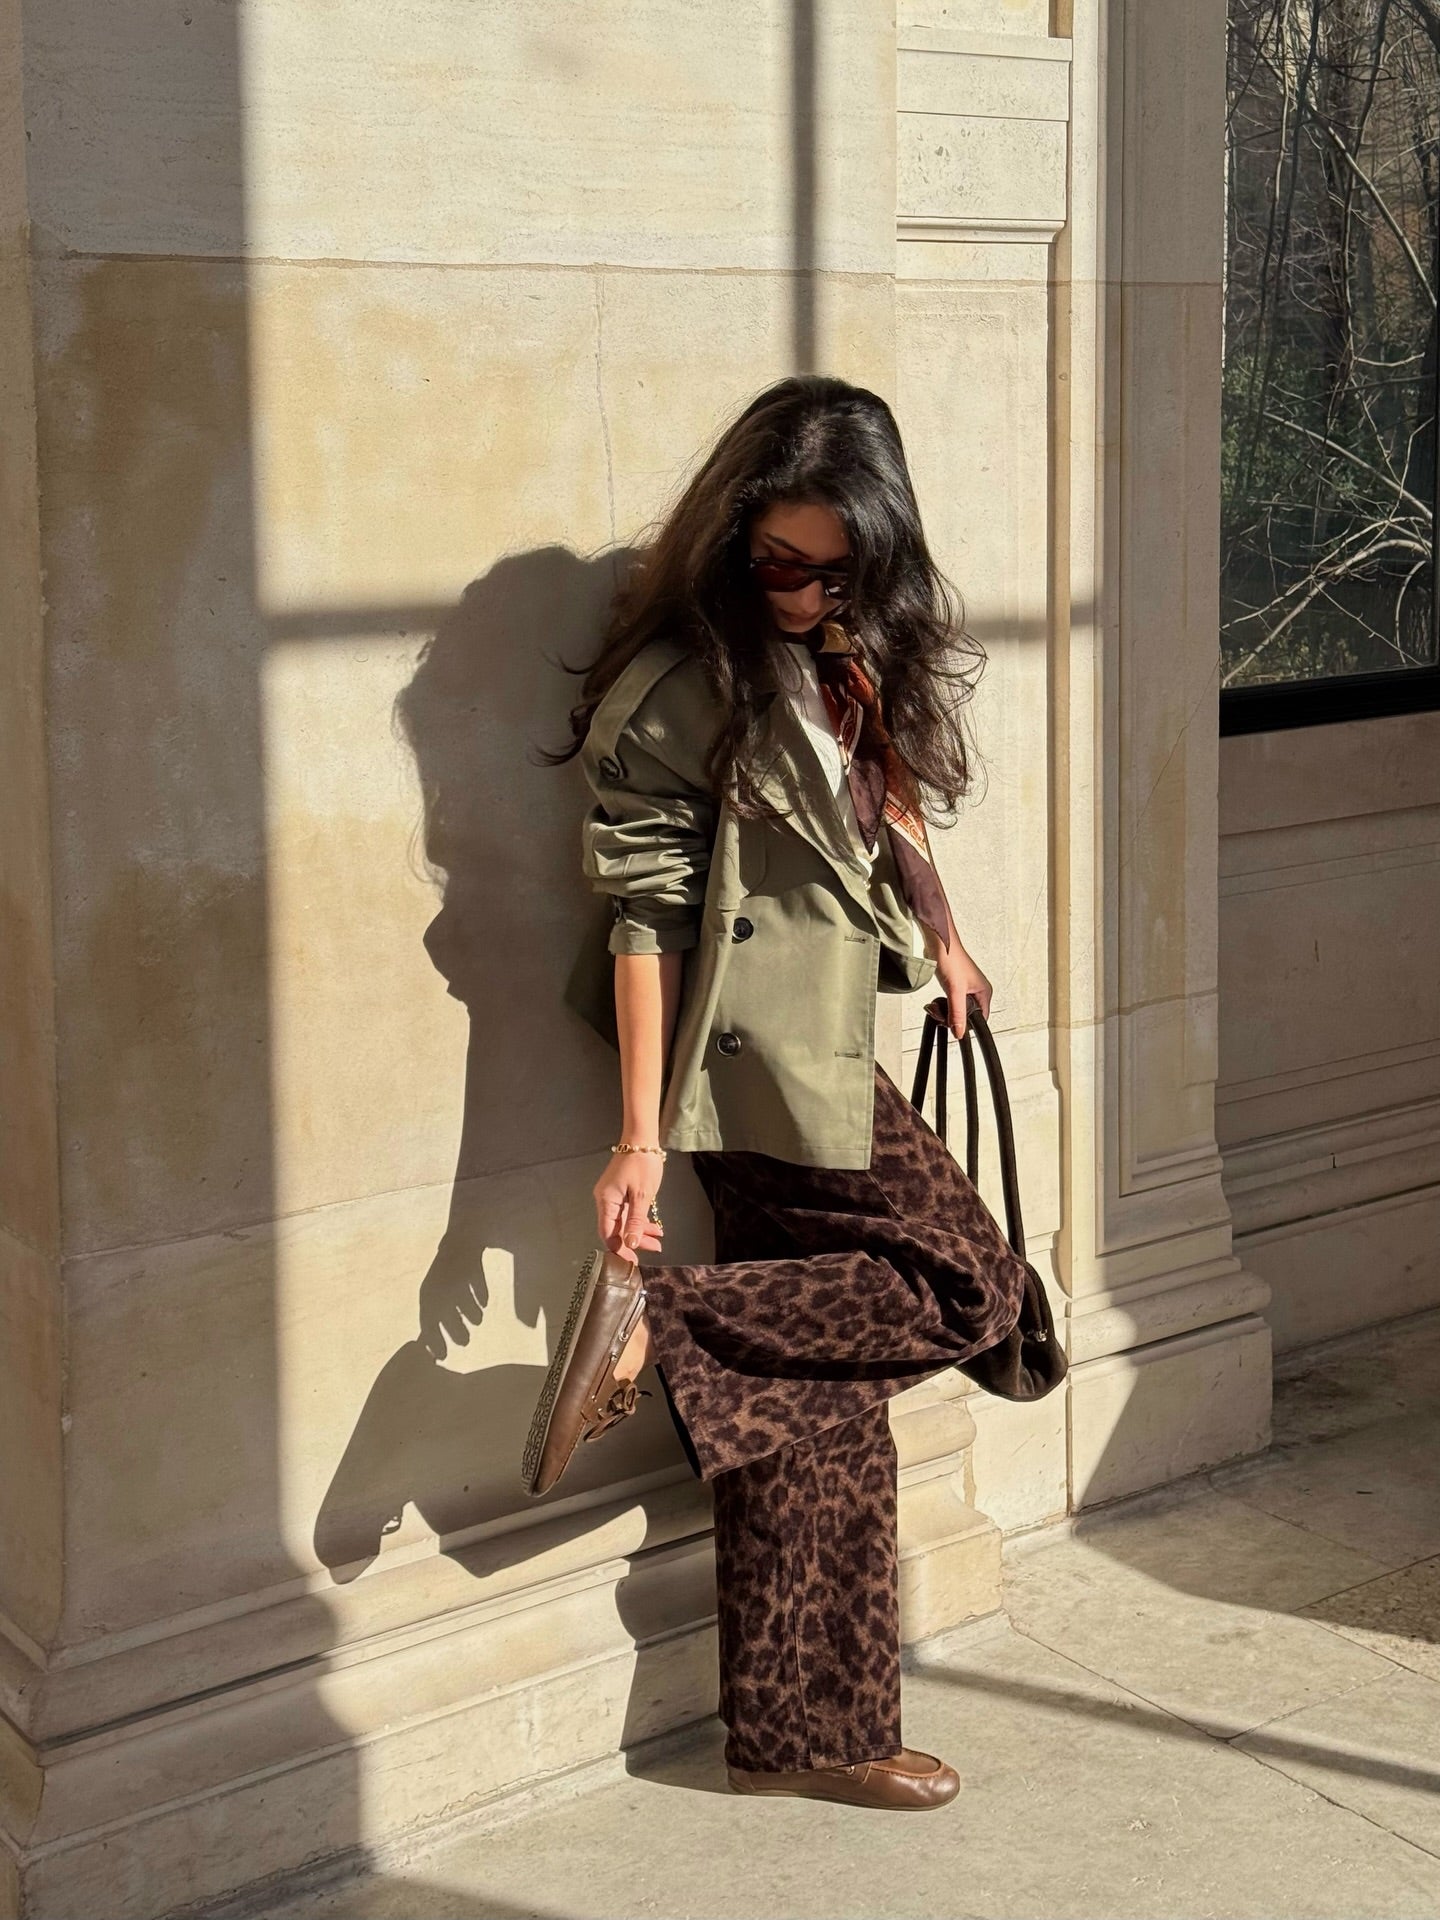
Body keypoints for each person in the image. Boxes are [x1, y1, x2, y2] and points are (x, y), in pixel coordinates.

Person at [527, 375, 1029, 1811]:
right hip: (751, 1062)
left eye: (837, 571)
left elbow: (883, 791)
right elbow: (643, 914)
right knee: (972, 1284)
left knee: (810, 1405)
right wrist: (638, 1141)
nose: (805, 594)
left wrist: (941, 936)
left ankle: (811, 1732)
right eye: (778, 565)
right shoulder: (681, 685)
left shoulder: (849, 645)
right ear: (732, 538)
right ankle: (665, 1326)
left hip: (830, 1032)